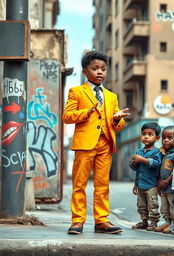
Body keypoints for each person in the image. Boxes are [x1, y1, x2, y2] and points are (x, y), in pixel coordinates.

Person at [62, 51, 130, 235]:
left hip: (105, 144)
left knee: (102, 185)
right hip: (84, 144)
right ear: (85, 72)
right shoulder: (76, 92)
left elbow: (118, 125)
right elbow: (67, 116)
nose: (100, 72)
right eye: (95, 68)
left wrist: (117, 119)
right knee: (79, 184)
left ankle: (101, 221)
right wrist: (87, 112)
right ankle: (77, 221)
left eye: (103, 69)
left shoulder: (111, 97)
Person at [130, 122, 162, 231]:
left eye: (150, 134)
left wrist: (142, 160)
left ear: (157, 138)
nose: (146, 136)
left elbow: (156, 164)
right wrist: (134, 162)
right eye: (144, 134)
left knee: (152, 204)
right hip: (140, 184)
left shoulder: (156, 151)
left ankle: (153, 222)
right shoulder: (138, 151)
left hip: (151, 185)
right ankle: (144, 221)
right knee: (141, 205)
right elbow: (135, 168)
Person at [154, 126, 174, 233]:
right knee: (164, 206)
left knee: (173, 205)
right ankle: (167, 222)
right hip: (163, 186)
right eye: (164, 138)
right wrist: (159, 181)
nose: (166, 140)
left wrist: (167, 181)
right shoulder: (163, 153)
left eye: (170, 137)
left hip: (171, 185)